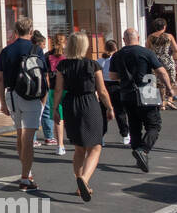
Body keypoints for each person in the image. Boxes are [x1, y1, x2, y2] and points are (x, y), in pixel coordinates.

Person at [51, 32, 115, 202]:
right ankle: (84, 180)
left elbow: (58, 90)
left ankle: (79, 184)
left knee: (79, 148)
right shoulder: (92, 65)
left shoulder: (63, 66)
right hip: (89, 104)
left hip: (70, 104)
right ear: (84, 46)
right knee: (95, 146)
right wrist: (109, 107)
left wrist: (55, 109)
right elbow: (101, 91)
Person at [110, 28, 174, 172]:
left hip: (127, 93)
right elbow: (161, 71)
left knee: (134, 126)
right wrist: (169, 88)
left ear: (123, 39)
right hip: (147, 90)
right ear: (138, 37)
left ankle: (139, 153)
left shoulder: (117, 55)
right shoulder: (146, 52)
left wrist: (125, 77)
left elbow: (113, 76)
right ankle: (143, 150)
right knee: (154, 125)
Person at [0, 17, 48, 191]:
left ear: (16, 31)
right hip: (32, 97)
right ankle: (25, 178)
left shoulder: (6, 51)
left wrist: (3, 102)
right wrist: (43, 101)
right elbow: (45, 77)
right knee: (28, 137)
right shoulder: (37, 50)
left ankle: (28, 171)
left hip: (12, 95)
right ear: (31, 31)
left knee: (20, 133)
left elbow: (0, 80)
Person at [98, 39, 130, 146]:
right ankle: (125, 134)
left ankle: (101, 136)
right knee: (120, 111)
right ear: (116, 48)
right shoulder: (120, 59)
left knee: (103, 111)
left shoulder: (100, 61)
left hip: (104, 86)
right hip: (116, 85)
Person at [147, 18, 177, 110]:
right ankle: (169, 100)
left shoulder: (150, 37)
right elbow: (176, 49)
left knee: (160, 82)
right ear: (164, 26)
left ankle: (162, 102)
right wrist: (176, 59)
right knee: (171, 80)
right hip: (167, 60)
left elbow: (147, 49)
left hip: (155, 61)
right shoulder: (169, 36)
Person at [31, 30, 56, 146]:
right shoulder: (41, 53)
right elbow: (45, 72)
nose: (45, 46)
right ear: (39, 44)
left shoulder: (27, 53)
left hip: (30, 87)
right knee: (46, 111)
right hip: (42, 87)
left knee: (33, 113)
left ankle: (33, 138)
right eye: (44, 44)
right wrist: (48, 85)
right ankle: (49, 137)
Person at [47, 32, 69, 155]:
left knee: (58, 118)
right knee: (70, 115)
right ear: (65, 41)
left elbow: (46, 75)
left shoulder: (47, 55)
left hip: (53, 89)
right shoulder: (68, 55)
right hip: (68, 88)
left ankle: (60, 145)